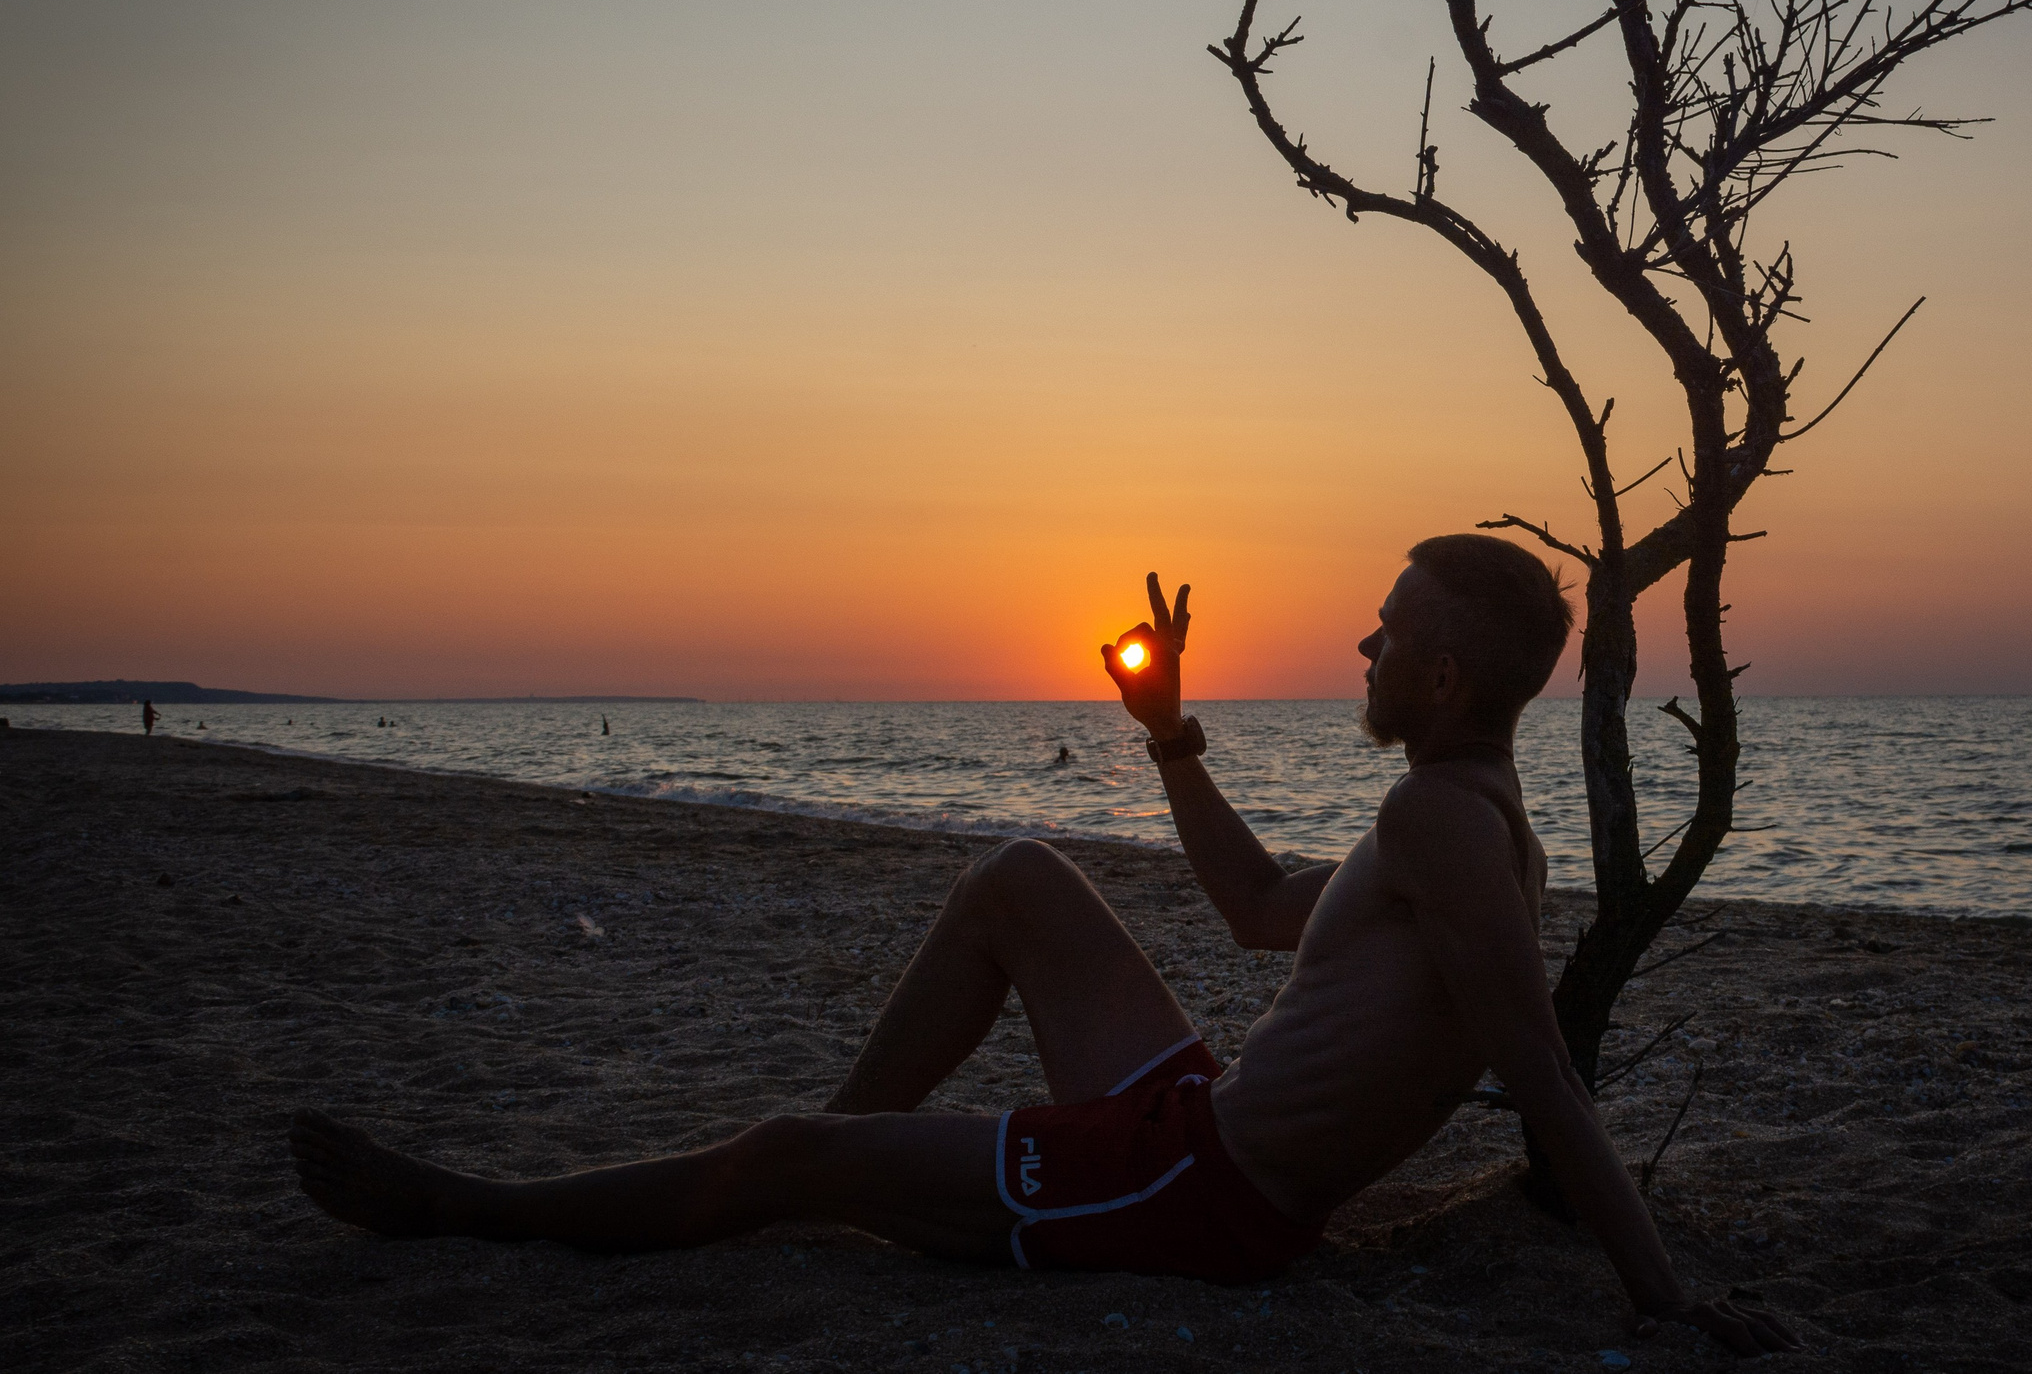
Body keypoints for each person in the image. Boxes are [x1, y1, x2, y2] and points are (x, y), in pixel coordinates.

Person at [287, 537, 1797, 1355]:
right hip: (1192, 1132)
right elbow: (1264, 905)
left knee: (772, 1155)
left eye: (1386, 629)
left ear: (1446, 668)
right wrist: (1170, 737)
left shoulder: (1452, 834)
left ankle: (466, 1208)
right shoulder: (1452, 815)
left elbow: (1541, 1073)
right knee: (1019, 870)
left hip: (1198, 1193)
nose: (1362, 645)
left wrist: (1663, 1300)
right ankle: (854, 1149)